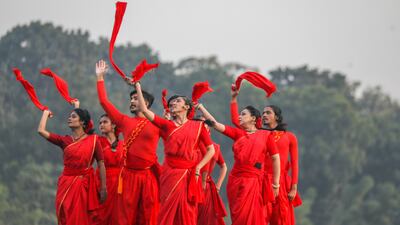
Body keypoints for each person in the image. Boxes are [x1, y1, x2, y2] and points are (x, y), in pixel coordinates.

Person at [134, 82, 215, 225]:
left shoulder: (198, 126)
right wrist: (138, 87)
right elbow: (145, 111)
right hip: (170, 173)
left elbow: (211, 150)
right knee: (167, 209)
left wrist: (197, 168)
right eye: (171, 103)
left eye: (177, 101)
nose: (173, 103)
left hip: (189, 174)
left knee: (188, 211)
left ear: (186, 106)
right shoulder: (167, 125)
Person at [96, 60, 161, 225]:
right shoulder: (124, 121)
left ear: (145, 103)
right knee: (125, 219)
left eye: (135, 99)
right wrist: (100, 78)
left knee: (147, 218)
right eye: (130, 99)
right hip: (128, 177)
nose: (131, 101)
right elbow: (104, 102)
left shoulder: (158, 123)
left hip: (148, 177)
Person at [196, 99, 280, 225]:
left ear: (253, 118)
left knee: (250, 215)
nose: (239, 117)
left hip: (253, 180)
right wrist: (201, 107)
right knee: (238, 216)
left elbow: (275, 158)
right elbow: (215, 124)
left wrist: (276, 184)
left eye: (243, 114)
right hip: (235, 180)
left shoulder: (265, 135)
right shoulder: (238, 133)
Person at [37, 100, 107, 225]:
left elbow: (101, 163)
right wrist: (45, 112)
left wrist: (103, 187)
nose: (69, 118)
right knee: (65, 214)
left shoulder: (94, 140)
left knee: (80, 218)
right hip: (66, 184)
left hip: (83, 186)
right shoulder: (65, 140)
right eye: (69, 116)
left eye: (73, 117)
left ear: (82, 122)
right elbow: (41, 131)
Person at [262, 105, 301, 225]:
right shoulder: (260, 134)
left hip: (282, 182)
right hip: (262, 180)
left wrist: (294, 188)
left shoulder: (290, 137)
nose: (264, 115)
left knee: (281, 218)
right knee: (260, 216)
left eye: (268, 113)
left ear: (277, 117)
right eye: (263, 113)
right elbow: (236, 122)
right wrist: (234, 100)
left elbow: (295, 164)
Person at [197, 118, 228, 225]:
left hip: (207, 188)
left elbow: (224, 166)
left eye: (204, 124)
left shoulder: (215, 147)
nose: (201, 126)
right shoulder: (191, 145)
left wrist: (218, 185)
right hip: (191, 183)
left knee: (207, 220)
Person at [95, 114, 124, 225]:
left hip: (120, 185)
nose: (101, 124)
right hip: (102, 182)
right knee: (101, 215)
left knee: (118, 215)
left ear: (113, 125)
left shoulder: (123, 144)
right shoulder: (97, 141)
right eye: (100, 123)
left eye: (105, 122)